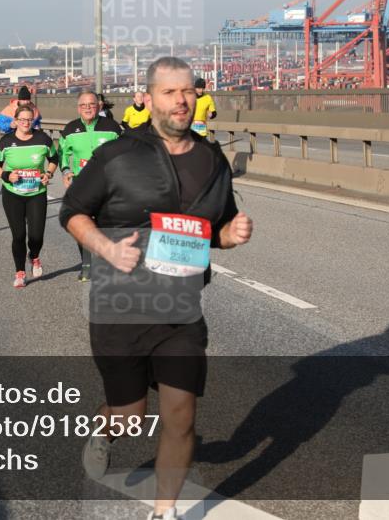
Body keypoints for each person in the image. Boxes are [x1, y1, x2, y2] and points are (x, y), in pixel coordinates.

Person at [59, 57, 252, 520]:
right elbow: (72, 211)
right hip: (119, 307)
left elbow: (213, 231)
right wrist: (107, 249)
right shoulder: (118, 155)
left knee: (180, 415)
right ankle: (106, 429)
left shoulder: (211, 159)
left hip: (180, 311)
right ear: (148, 99)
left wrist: (230, 234)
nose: (181, 101)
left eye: (187, 91)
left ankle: (164, 511)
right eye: (170, 92)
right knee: (129, 415)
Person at [0, 104, 58, 288]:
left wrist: (48, 174)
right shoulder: (5, 141)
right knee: (19, 235)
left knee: (36, 236)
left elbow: (54, 159)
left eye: (29, 119)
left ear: (33, 120)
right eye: (22, 119)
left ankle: (34, 256)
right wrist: (6, 175)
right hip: (13, 193)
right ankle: (20, 272)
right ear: (16, 121)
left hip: (37, 193)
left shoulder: (43, 139)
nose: (26, 123)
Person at [58, 90, 121, 281]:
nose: (88, 108)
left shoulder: (112, 127)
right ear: (78, 108)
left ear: (99, 106)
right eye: (84, 105)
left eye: (92, 104)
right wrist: (66, 171)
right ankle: (87, 266)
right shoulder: (70, 129)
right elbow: (61, 154)